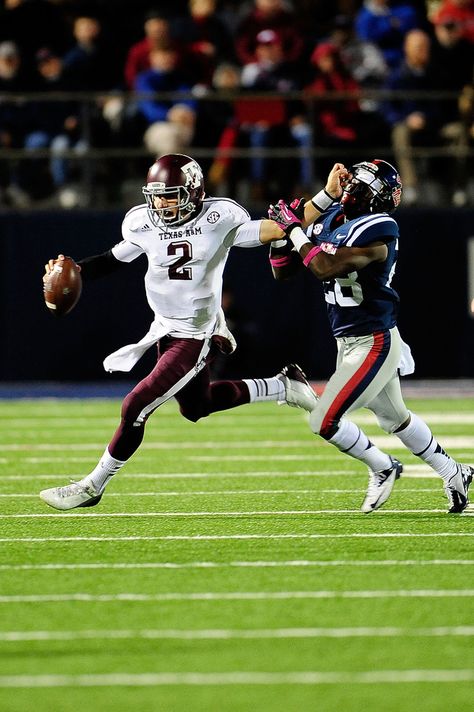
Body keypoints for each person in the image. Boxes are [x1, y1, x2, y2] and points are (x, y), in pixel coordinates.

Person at [39, 153, 318, 511]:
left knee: (136, 405)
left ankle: (92, 485)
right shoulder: (142, 222)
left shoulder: (219, 218)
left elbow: (279, 227)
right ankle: (284, 386)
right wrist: (75, 270)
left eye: (169, 194)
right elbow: (114, 258)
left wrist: (324, 196)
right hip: (165, 329)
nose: (161, 203)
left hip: (195, 334)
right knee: (196, 406)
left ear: (194, 191)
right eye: (155, 195)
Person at [267, 158, 473, 513]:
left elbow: (324, 266)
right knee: (395, 417)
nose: (350, 188)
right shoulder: (332, 218)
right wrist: (286, 235)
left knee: (323, 420)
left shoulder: (380, 227)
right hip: (347, 340)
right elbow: (282, 272)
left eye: (357, 185)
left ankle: (382, 465)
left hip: (374, 340)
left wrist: (295, 231)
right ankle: (453, 471)